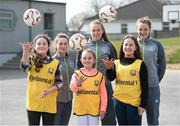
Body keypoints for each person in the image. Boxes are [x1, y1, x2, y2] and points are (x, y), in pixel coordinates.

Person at [76, 19, 117, 125]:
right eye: (93, 30)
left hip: (106, 87)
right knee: (90, 121)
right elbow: (78, 70)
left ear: (102, 31)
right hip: (88, 90)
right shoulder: (83, 46)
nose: (96, 32)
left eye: (98, 30)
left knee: (109, 121)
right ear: (90, 31)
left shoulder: (109, 47)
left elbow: (113, 75)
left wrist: (109, 68)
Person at [103, 35, 149, 125]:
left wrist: (143, 105)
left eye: (131, 45)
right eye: (126, 44)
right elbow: (111, 78)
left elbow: (145, 86)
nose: (128, 47)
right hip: (119, 101)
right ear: (122, 46)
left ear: (135, 47)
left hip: (134, 103)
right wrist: (109, 68)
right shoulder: (116, 62)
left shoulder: (140, 64)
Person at [19, 34, 63, 125]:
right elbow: (24, 68)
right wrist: (25, 52)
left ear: (48, 47)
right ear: (35, 47)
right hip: (33, 104)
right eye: (39, 44)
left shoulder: (55, 63)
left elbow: (59, 82)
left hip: (49, 104)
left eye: (44, 44)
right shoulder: (30, 60)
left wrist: (49, 90)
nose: (41, 46)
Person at [136, 16, 166, 125]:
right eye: (140, 29)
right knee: (134, 119)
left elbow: (162, 65)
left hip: (152, 87)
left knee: (153, 120)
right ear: (137, 29)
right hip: (135, 87)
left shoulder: (157, 44)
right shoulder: (132, 44)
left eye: (145, 29)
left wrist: (155, 79)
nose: (142, 32)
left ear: (150, 30)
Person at [70, 48, 107, 125]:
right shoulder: (77, 74)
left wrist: (103, 109)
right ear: (80, 60)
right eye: (84, 58)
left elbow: (103, 95)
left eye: (90, 58)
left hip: (94, 110)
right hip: (81, 109)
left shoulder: (100, 76)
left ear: (94, 60)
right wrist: (78, 84)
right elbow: (72, 88)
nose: (87, 60)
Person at [52, 33, 76, 125]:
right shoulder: (52, 61)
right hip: (56, 101)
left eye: (65, 44)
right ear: (56, 45)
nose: (63, 46)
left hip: (69, 100)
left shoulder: (71, 60)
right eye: (60, 44)